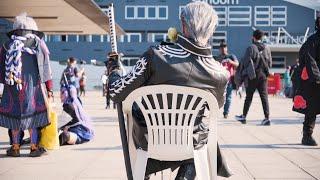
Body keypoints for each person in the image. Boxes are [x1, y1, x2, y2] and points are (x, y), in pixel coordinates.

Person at [107, 2, 232, 179]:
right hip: (190, 146)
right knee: (201, 132)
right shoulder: (220, 73)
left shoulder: (155, 55)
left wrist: (114, 70)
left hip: (150, 143)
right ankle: (187, 172)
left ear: (183, 25)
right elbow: (217, 106)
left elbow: (115, 91)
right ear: (211, 30)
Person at [0, 13, 53, 157]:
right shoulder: (38, 43)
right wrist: (49, 89)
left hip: (12, 86)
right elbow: (46, 69)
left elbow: (1, 68)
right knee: (33, 118)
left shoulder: (7, 45)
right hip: (33, 87)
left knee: (15, 118)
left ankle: (15, 148)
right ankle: (34, 148)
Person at [292, 14, 320, 146]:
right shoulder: (313, 40)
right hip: (315, 81)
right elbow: (309, 59)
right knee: (311, 109)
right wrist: (316, 78)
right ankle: (307, 135)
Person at [235, 29, 272, 125]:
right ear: (262, 37)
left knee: (249, 97)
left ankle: (243, 117)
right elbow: (270, 63)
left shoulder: (251, 48)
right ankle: (267, 118)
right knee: (264, 97)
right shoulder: (267, 48)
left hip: (253, 76)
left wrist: (241, 78)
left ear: (253, 37)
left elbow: (245, 63)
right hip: (263, 76)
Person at [59, 77, 94, 146]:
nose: (60, 95)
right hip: (85, 131)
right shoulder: (76, 101)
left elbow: (61, 123)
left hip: (79, 132)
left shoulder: (68, 105)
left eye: (62, 93)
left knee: (65, 135)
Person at [216, 40, 239, 118]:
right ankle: (213, 112)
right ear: (219, 49)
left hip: (229, 80)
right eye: (221, 47)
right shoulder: (217, 58)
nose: (223, 49)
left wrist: (231, 62)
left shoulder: (231, 56)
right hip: (219, 80)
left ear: (227, 48)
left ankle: (226, 113)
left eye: (224, 47)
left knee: (228, 97)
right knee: (216, 97)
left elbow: (237, 64)